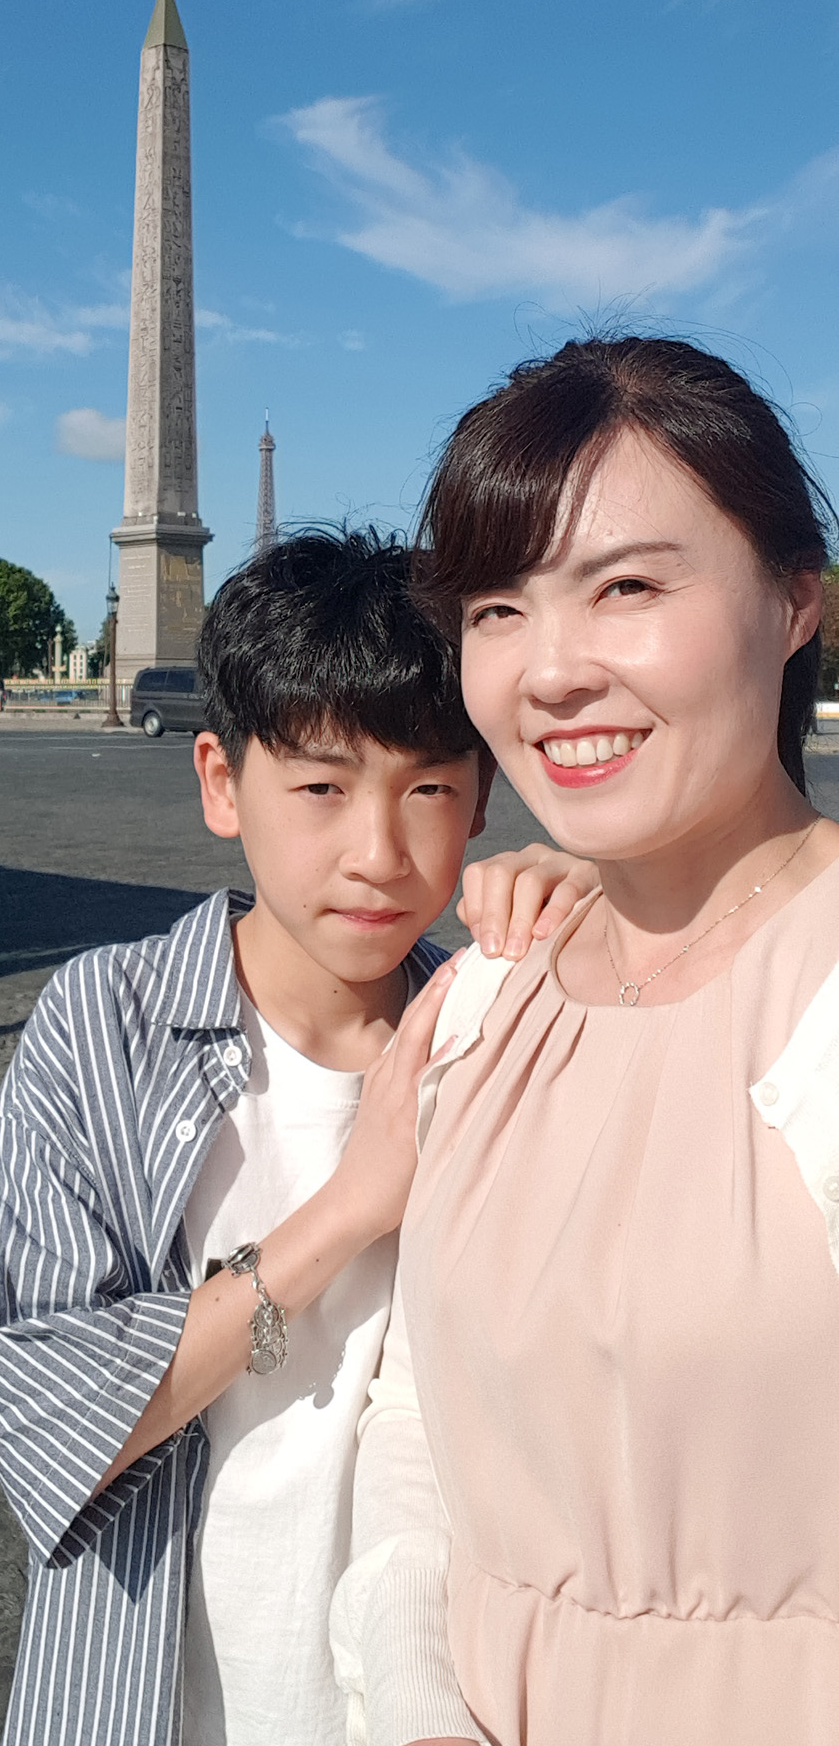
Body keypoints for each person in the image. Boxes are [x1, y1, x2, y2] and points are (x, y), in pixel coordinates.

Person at [0, 530, 595, 1746]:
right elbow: (45, 1416)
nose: (377, 854)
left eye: (427, 790)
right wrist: (350, 1208)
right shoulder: (105, 1029)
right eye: (319, 789)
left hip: (427, 1699)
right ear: (219, 781)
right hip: (147, 1695)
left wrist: (603, 933)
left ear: (479, 799)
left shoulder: (500, 1030)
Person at [336, 338, 839, 1746]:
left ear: (794, 601)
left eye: (626, 587)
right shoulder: (480, 1003)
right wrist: (421, 1713)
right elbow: (417, 1424)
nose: (551, 672)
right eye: (497, 608)